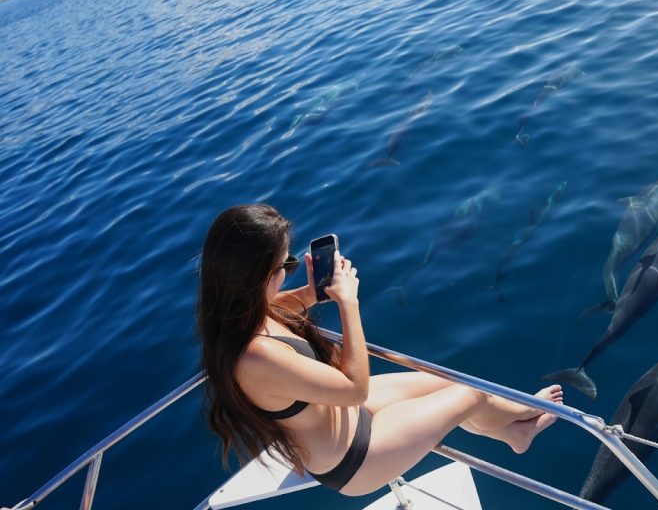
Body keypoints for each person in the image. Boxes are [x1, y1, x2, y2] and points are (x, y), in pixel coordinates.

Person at [196, 204, 563, 496]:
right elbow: (356, 387)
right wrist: (348, 303)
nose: (289, 270)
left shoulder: (244, 314)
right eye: (286, 266)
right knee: (467, 396)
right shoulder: (257, 356)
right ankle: (520, 427)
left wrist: (316, 289)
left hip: (345, 417)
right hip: (354, 457)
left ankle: (509, 432)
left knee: (444, 381)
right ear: (258, 275)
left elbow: (290, 308)